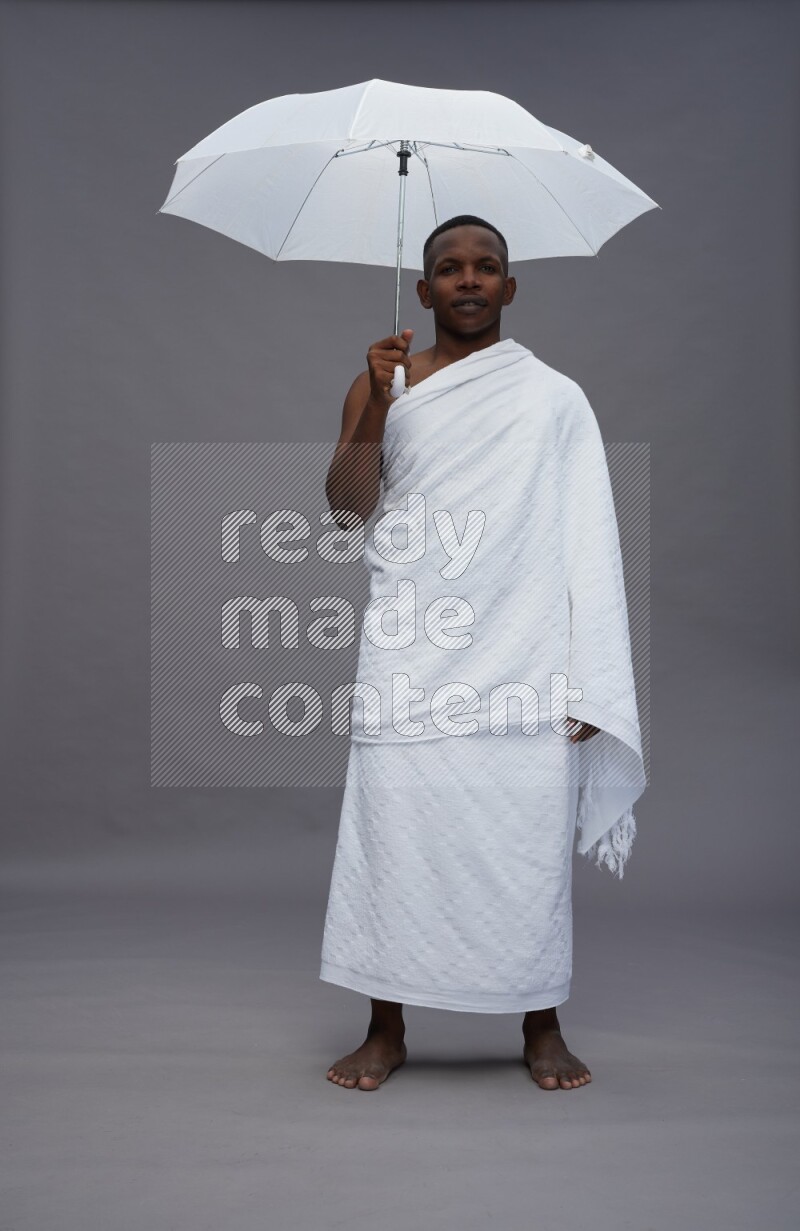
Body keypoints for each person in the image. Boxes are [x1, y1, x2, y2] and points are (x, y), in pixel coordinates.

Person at [320, 215, 644, 1091]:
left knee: (520, 833)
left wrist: (589, 674)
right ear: (422, 292)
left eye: (487, 267)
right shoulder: (382, 384)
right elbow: (349, 507)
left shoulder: (554, 398)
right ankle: (385, 1027)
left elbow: (589, 538)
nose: (469, 279)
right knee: (393, 831)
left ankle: (540, 1020)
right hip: (411, 645)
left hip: (521, 649)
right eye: (450, 269)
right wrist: (380, 401)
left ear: (510, 287)